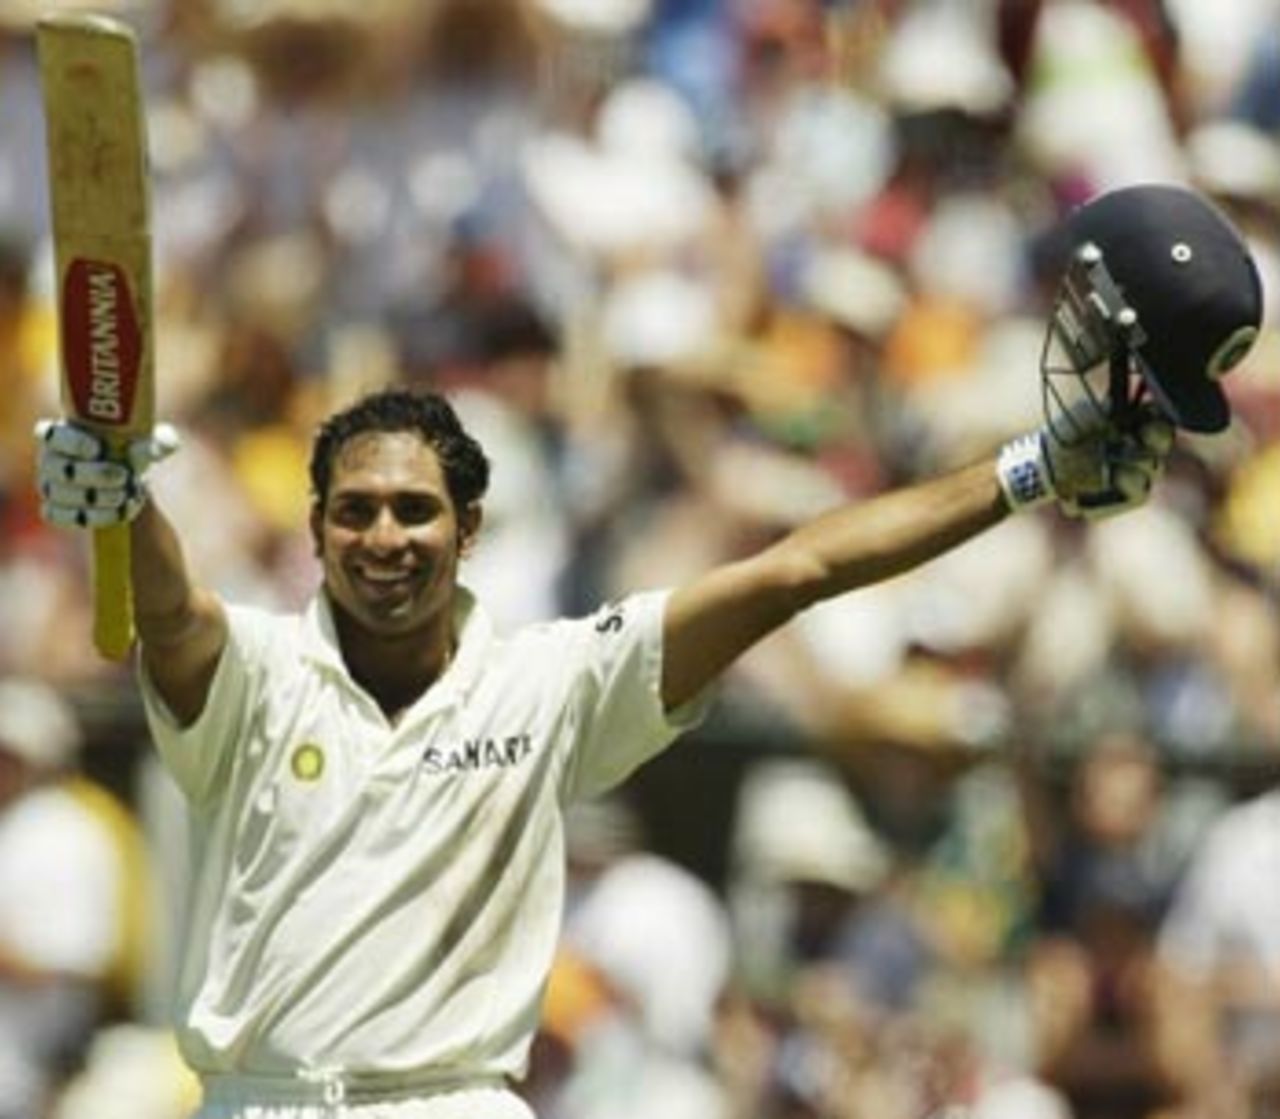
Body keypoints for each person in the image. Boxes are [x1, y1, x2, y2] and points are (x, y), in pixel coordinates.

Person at [30, 183, 1259, 1118]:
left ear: (469, 533)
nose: (384, 537)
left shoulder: (553, 679)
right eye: (354, 511)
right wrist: (122, 499)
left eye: (415, 512)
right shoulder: (252, 676)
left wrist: (1027, 470)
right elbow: (177, 616)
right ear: (315, 532)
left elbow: (797, 569)